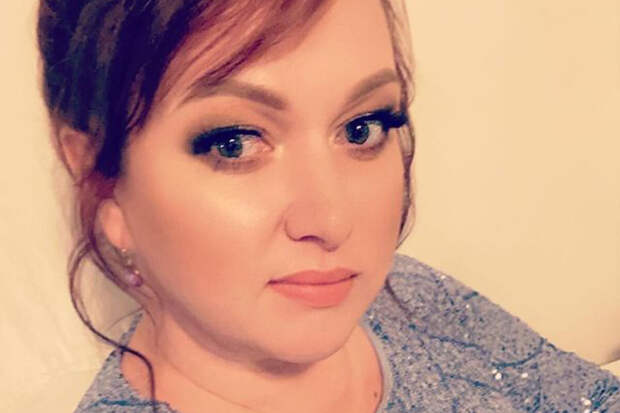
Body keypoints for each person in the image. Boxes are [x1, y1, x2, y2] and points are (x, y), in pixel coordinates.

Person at [36, 0, 619, 412]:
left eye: (362, 128)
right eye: (235, 143)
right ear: (102, 182)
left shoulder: (408, 296)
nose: (334, 222)